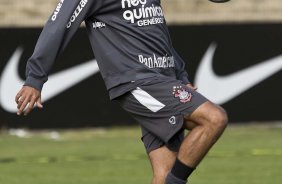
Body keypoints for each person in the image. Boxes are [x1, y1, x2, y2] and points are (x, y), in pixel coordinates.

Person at [15, 0, 228, 183]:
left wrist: (180, 76)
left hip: (163, 81)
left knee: (163, 175)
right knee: (214, 118)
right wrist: (35, 78)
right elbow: (58, 24)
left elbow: (157, 32)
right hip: (137, 82)